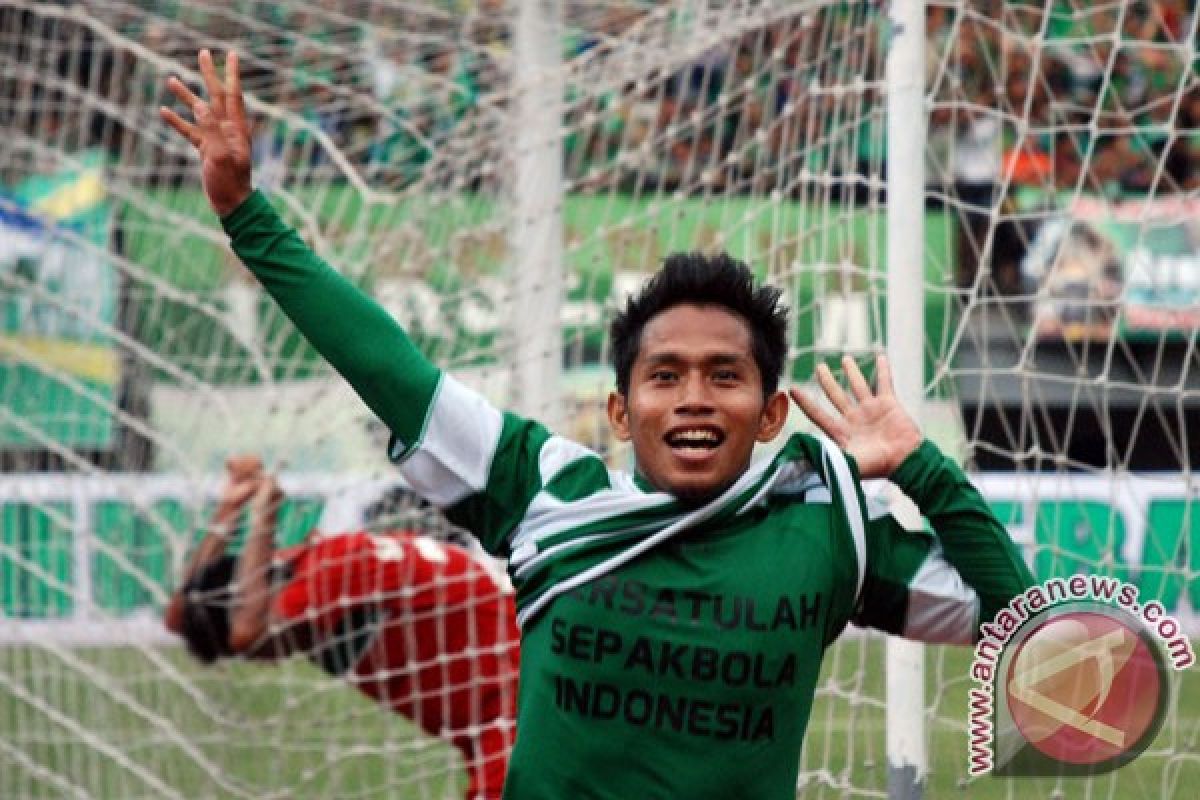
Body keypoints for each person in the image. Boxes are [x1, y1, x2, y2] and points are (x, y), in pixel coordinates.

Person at [162, 50, 1035, 800]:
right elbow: (388, 367)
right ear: (621, 409)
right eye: (665, 375)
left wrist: (921, 467)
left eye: (725, 375)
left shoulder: (830, 527)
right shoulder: (544, 492)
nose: (693, 396)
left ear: (771, 413)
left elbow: (1024, 623)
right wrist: (247, 213)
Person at [164, 455, 519, 800]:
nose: (261, 658)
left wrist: (264, 514)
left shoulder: (323, 577)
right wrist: (228, 511)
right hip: (498, 716)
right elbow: (179, 616)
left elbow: (246, 632)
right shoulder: (304, 568)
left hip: (518, 708)